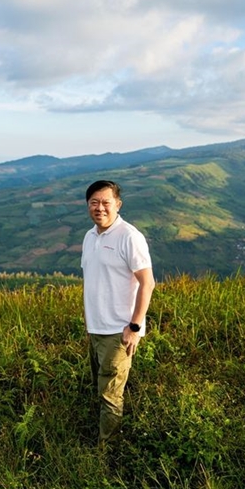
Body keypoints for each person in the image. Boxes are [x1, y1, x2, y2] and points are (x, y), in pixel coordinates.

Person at [81, 179, 155, 446]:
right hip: (96, 329)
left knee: (110, 394)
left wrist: (134, 327)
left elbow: (148, 283)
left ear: (117, 205)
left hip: (119, 332)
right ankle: (103, 437)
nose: (100, 208)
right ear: (88, 205)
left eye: (105, 202)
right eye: (94, 202)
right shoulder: (90, 236)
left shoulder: (129, 237)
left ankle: (106, 451)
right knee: (100, 389)